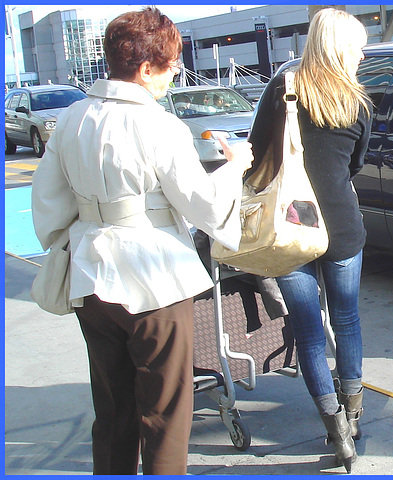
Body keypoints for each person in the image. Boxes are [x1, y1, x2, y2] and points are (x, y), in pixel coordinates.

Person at [30, 7, 252, 475]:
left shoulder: (70, 120)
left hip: (90, 276)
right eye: (171, 65)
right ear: (147, 68)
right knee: (166, 414)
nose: (174, 74)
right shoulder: (159, 125)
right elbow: (205, 205)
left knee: (112, 411)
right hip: (155, 281)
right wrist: (236, 164)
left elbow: (48, 208)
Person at [249, 8, 371, 474]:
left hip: (289, 226)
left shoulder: (283, 89)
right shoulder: (357, 102)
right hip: (341, 225)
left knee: (308, 331)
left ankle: (334, 427)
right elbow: (353, 164)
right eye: (356, 46)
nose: (361, 55)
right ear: (339, 47)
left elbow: (257, 151)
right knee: (347, 320)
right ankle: (355, 413)